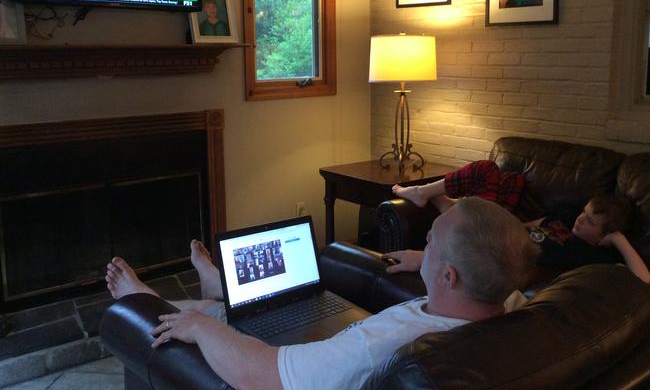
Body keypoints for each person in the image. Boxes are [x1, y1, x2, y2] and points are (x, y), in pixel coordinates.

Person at [106, 197, 539, 390]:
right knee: (232, 308)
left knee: (204, 319)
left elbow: (263, 377)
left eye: (429, 243)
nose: (422, 247)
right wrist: (415, 259)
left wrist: (199, 329)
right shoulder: (514, 305)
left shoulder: (380, 349)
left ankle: (144, 301)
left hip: (281, 371)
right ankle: (218, 290)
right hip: (331, 347)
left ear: (449, 276)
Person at [392, 160, 650, 282]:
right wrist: (503, 223)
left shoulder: (594, 255)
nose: (581, 219)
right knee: (489, 169)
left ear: (603, 238)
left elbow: (644, 280)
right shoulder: (571, 217)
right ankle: (431, 196)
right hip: (506, 228)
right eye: (584, 211)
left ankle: (438, 200)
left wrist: (618, 240)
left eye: (590, 221)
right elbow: (532, 224)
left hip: (499, 246)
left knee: (476, 191)